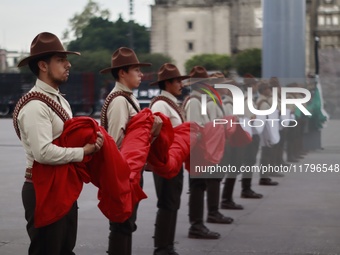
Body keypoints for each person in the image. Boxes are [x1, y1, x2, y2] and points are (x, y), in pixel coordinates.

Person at [14, 32, 104, 255]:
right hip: (42, 187)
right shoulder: (35, 105)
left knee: (65, 249)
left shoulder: (59, 99)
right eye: (61, 60)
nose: (68, 64)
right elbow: (43, 153)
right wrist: (83, 152)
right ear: (43, 65)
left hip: (60, 184)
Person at [99, 47, 162, 255]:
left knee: (126, 224)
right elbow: (116, 144)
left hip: (131, 172)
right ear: (122, 73)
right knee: (121, 224)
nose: (141, 74)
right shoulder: (119, 101)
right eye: (136, 70)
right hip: (124, 173)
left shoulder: (127, 97)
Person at [183, 66, 232, 241]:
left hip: (205, 149)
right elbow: (194, 129)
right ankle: (196, 225)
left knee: (201, 186)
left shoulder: (203, 99)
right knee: (197, 187)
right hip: (199, 151)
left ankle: (200, 222)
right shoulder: (195, 101)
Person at [149, 63, 190, 255]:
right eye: (177, 81)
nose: (181, 84)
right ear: (167, 83)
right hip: (166, 161)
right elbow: (157, 135)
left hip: (175, 160)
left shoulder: (171, 102)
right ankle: (162, 247)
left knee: (173, 202)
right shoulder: (160, 104)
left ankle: (168, 244)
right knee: (167, 202)